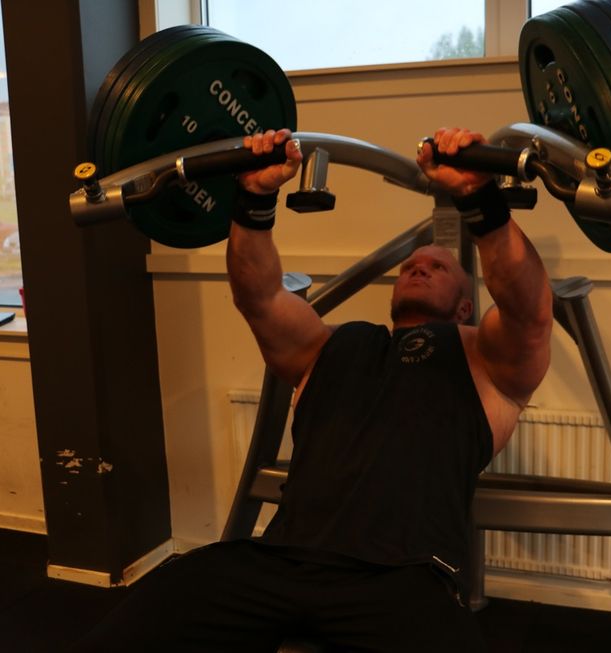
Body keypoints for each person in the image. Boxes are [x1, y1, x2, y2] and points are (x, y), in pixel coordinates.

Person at [72, 127, 553, 653]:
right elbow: (259, 298)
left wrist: (481, 200)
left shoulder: (485, 360)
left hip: (403, 579)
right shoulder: (329, 344)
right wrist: (254, 198)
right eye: (411, 266)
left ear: (465, 306)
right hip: (278, 562)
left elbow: (528, 309)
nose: (418, 266)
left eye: (437, 267)